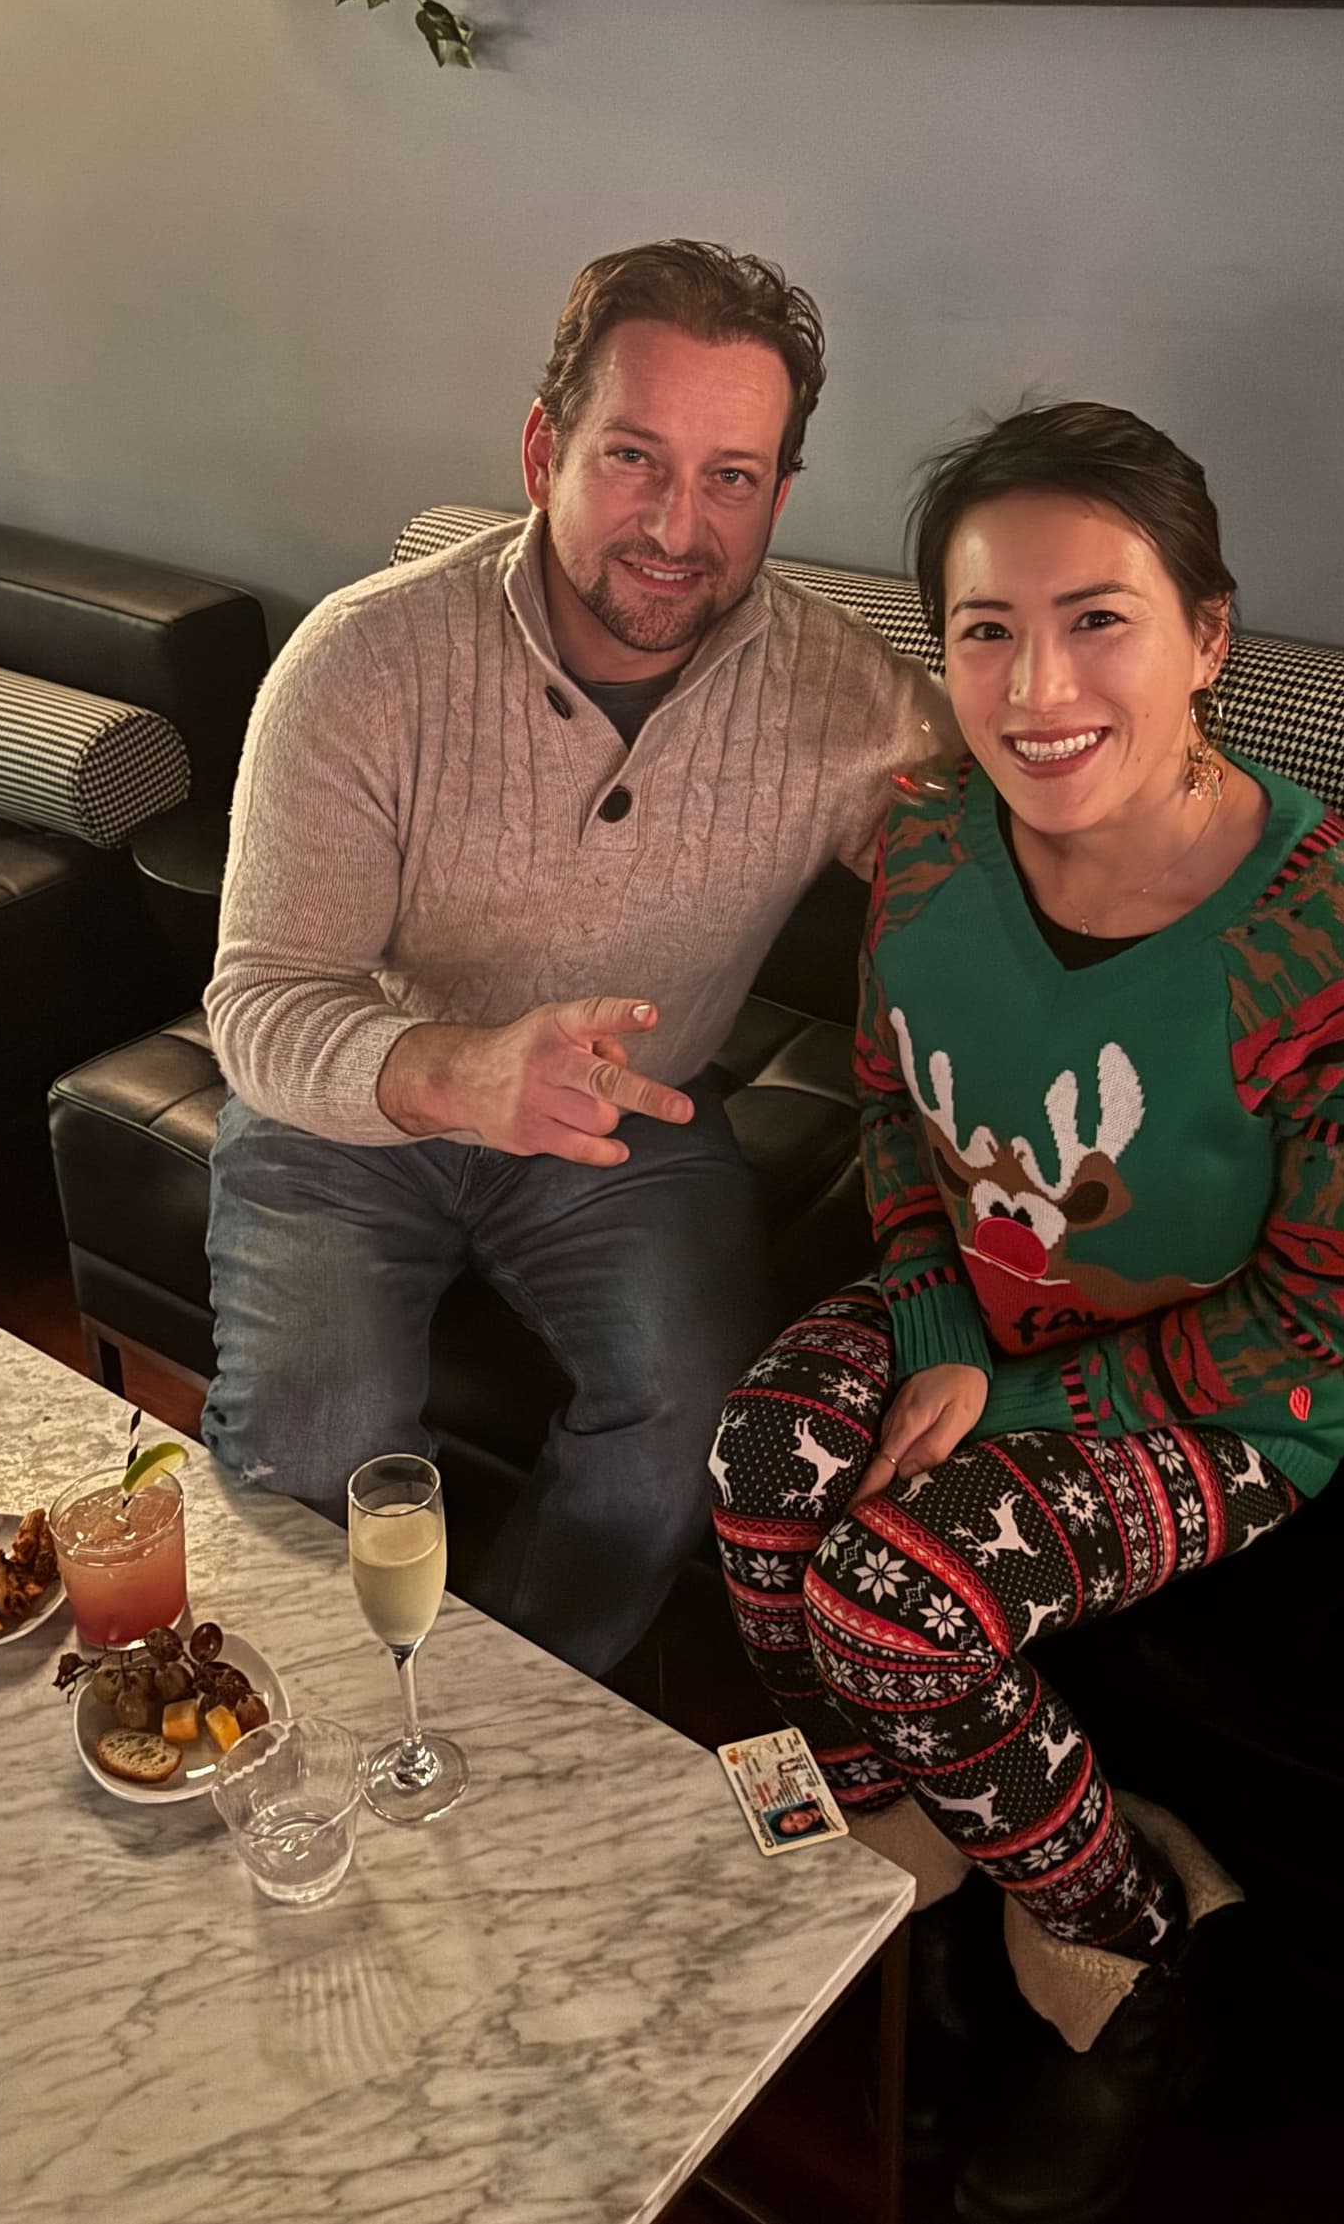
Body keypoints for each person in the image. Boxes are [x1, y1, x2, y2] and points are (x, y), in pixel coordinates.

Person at [710, 402, 1344, 2222]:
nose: (1036, 683)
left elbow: (1317, 1322)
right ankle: (921, 1828)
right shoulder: (933, 850)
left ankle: (1127, 1938)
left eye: (1097, 616)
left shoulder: (1342, 953)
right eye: (983, 628)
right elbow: (892, 1111)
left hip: (1221, 1405)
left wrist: (1024, 1406)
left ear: (1208, 633)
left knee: (890, 1596)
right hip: (978, 1314)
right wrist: (940, 1323)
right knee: (753, 1467)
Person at [203, 239, 948, 1679]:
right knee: (314, 1449)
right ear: (544, 447)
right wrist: (458, 1070)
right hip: (356, 1114)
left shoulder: (839, 693)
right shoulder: (362, 661)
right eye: (634, 458)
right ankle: (317, 1726)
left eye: (733, 475)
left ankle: (505, 1715)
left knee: (701, 1425)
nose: (680, 525)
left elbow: (1015, 849)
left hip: (634, 1120)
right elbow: (260, 1002)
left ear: (782, 496)